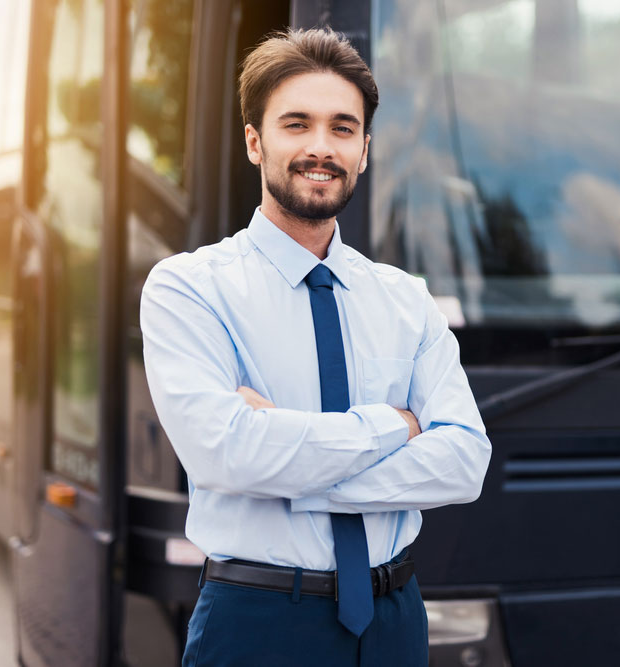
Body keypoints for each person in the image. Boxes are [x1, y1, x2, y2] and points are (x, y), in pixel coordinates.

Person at [140, 27, 491, 667]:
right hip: (258, 623)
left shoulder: (405, 298)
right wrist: (396, 425)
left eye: (342, 128)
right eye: (296, 124)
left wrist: (289, 461)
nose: (320, 148)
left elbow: (465, 461)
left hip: (395, 621)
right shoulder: (189, 288)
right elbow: (227, 455)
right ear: (255, 142)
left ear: (364, 150)